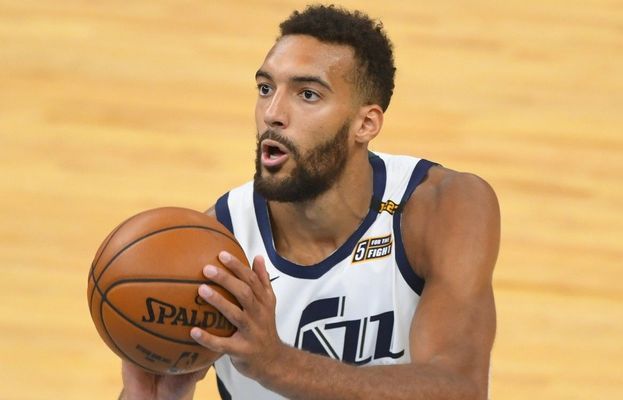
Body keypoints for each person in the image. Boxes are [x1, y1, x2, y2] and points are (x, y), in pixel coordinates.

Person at [120, 4, 499, 400]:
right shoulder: (216, 248)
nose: (272, 114)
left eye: (307, 94)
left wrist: (276, 364)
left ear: (365, 124)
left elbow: (459, 388)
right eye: (266, 88)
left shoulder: (438, 206)